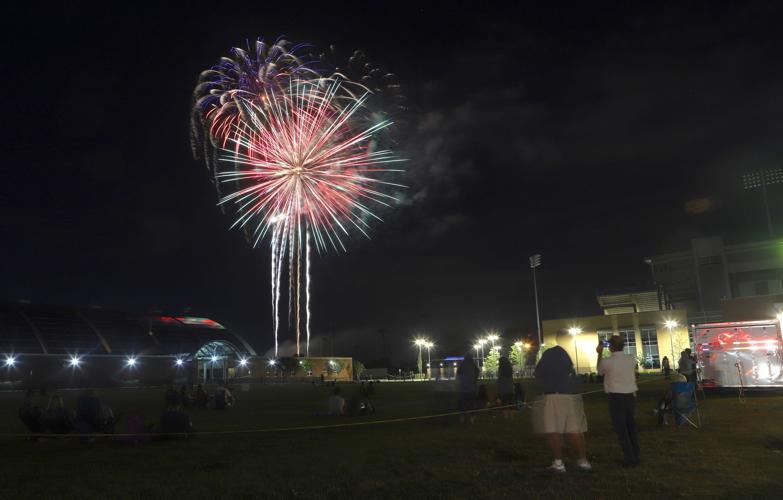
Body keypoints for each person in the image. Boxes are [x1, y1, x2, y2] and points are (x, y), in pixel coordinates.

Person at [533, 346, 591, 473]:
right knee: (575, 430)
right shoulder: (566, 362)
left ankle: (558, 463)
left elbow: (537, 374)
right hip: (571, 396)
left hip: (553, 396)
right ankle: (583, 461)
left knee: (554, 430)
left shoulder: (547, 359)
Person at [597, 336, 640, 467]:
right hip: (630, 396)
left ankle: (629, 458)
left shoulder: (607, 361)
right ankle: (636, 454)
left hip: (616, 397)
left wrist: (599, 354)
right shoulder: (631, 359)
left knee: (621, 429)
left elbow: (599, 371)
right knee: (631, 427)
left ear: (610, 347)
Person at [456, 353, 479, 424]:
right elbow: (476, 376)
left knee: (462, 406)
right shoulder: (474, 367)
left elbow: (458, 378)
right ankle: (472, 420)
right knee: (472, 405)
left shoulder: (461, 366)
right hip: (472, 389)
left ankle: (462, 420)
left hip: (462, 390)